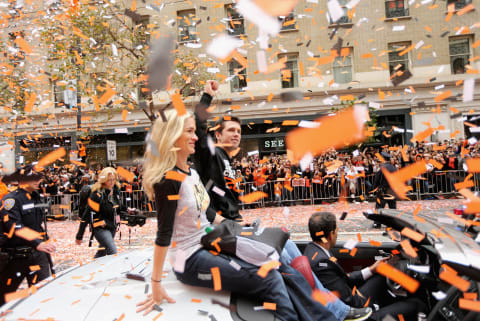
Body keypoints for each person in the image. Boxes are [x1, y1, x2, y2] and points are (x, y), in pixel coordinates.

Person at [136, 106, 346, 321]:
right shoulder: (168, 180)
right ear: (172, 136)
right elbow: (163, 235)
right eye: (189, 132)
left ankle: (329, 316)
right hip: (188, 259)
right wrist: (156, 284)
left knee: (275, 255)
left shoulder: (191, 173)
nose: (195, 138)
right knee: (269, 277)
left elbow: (206, 213)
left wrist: (235, 227)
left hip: (210, 242)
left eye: (194, 132)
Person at [190, 81, 371, 321]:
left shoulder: (226, 160)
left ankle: (332, 305)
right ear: (217, 134)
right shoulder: (208, 153)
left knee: (297, 256)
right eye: (231, 130)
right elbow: (199, 124)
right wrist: (207, 96)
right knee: (288, 265)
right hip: (227, 232)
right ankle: (335, 310)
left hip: (238, 226)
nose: (236, 135)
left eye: (239, 132)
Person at [305, 212, 426, 321]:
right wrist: (375, 307)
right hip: (358, 315)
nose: (337, 233)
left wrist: (372, 269)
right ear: (331, 234)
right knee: (417, 304)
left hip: (352, 298)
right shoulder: (322, 263)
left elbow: (343, 279)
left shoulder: (315, 250)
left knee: (382, 275)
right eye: (336, 230)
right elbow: (347, 301)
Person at [0, 165, 56, 306]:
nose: (38, 180)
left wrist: (45, 240)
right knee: (4, 298)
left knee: (44, 296)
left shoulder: (36, 197)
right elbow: (15, 226)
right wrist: (39, 243)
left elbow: (37, 226)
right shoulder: (11, 200)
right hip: (15, 258)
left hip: (37, 256)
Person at [75, 167, 127, 258]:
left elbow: (118, 206)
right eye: (109, 180)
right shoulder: (97, 194)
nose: (112, 182)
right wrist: (80, 235)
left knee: (102, 251)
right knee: (112, 250)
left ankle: (93, 266)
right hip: (100, 227)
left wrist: (128, 210)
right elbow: (87, 214)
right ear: (103, 180)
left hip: (112, 226)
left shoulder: (115, 191)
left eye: (113, 179)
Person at [371, 152, 397, 228]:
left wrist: (374, 188)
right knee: (392, 207)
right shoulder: (394, 168)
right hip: (392, 190)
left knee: (379, 207)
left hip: (383, 189)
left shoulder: (382, 168)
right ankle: (393, 223)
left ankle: (377, 223)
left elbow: (377, 179)